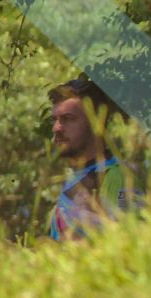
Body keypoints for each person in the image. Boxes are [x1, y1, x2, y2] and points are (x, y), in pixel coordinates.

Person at [46, 77, 142, 241]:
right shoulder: (73, 177)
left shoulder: (118, 176)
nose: (57, 128)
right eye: (54, 120)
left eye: (68, 119)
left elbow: (132, 243)